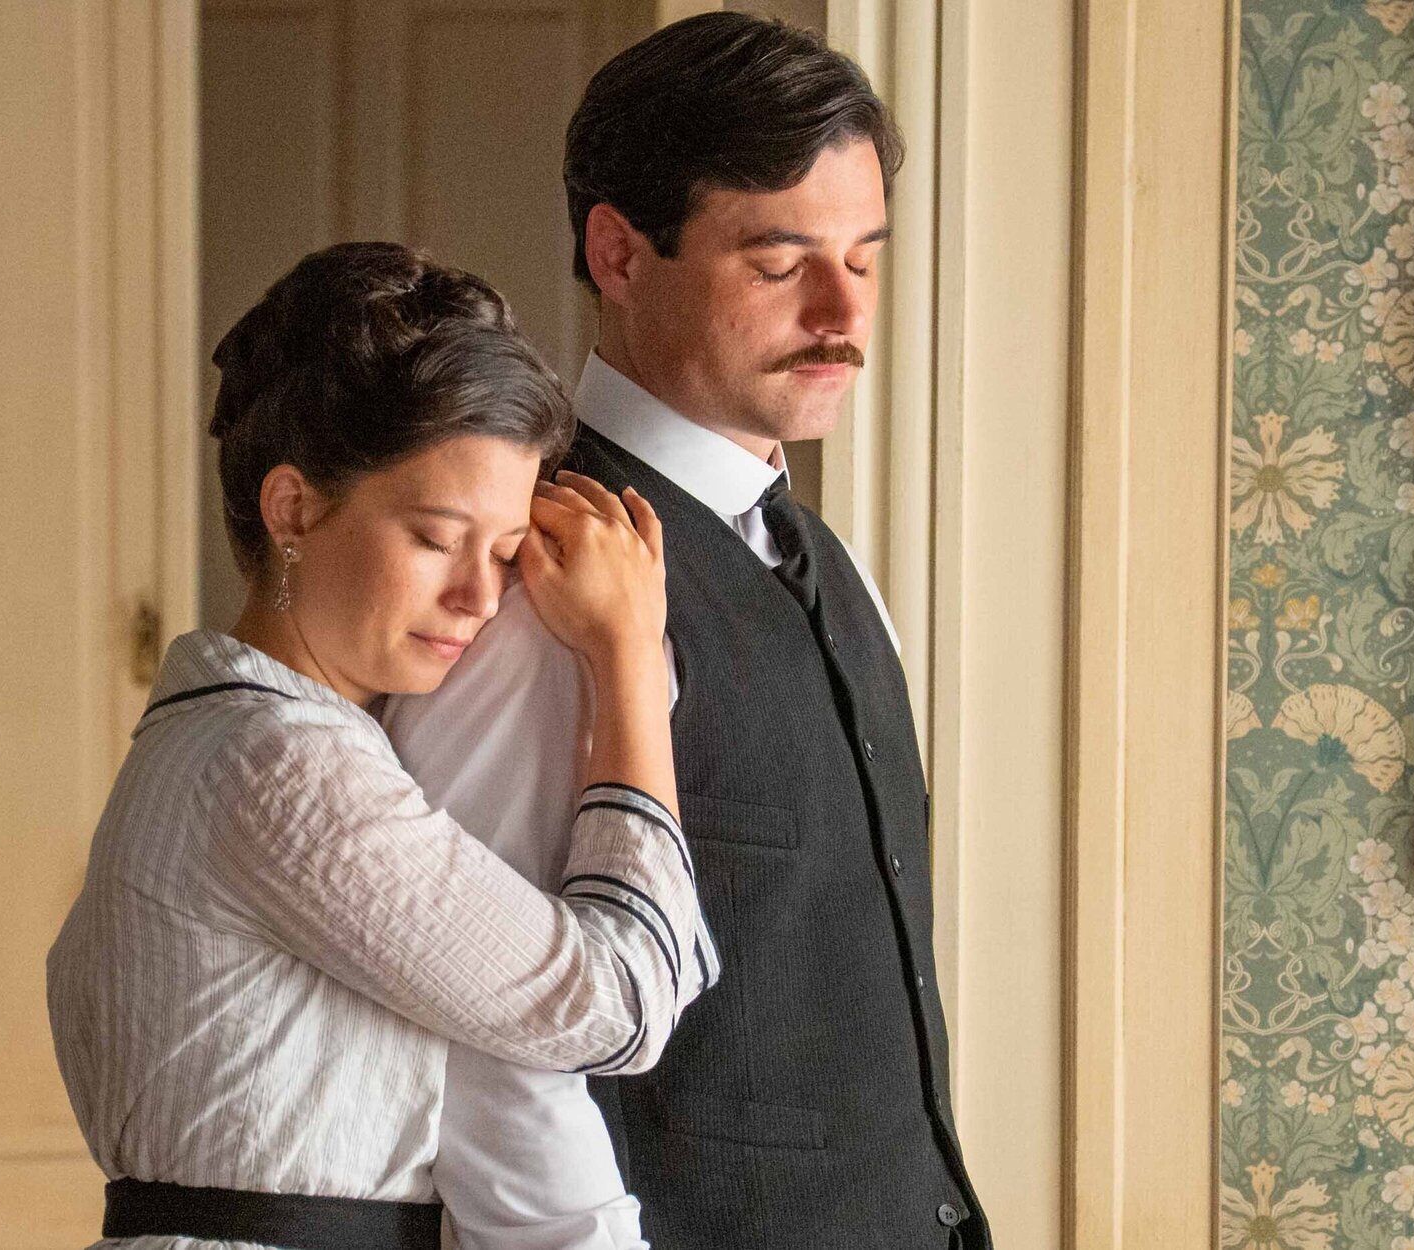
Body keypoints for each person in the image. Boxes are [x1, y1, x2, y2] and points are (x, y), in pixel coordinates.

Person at [384, 15, 990, 1249]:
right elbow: (480, 1038)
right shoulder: (535, 582)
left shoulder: (833, 571)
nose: (841, 311)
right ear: (617, 251)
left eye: (862, 258)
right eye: (778, 262)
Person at [46, 241, 713, 1250]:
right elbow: (616, 1004)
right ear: (293, 508)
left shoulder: (220, 737)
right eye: (437, 538)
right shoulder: (279, 767)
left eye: (503, 552)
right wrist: (625, 653)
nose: (478, 595)